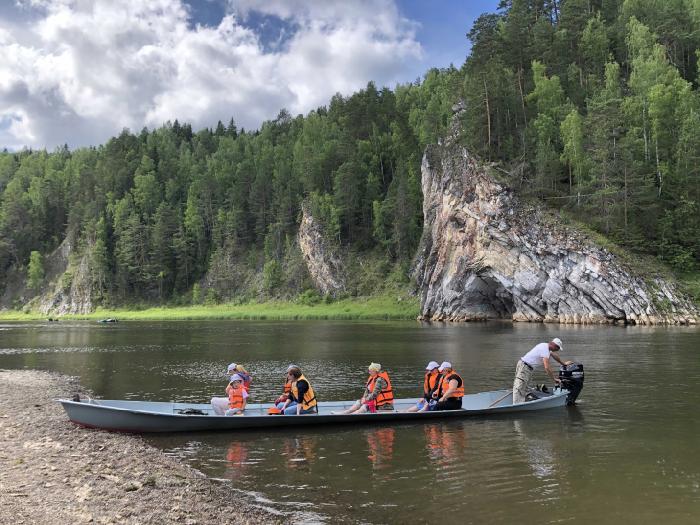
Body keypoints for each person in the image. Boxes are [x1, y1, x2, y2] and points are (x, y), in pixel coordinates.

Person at [513, 337, 573, 404]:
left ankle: (526, 399)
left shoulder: (545, 346)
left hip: (527, 367)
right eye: (558, 348)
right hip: (524, 367)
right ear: (554, 345)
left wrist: (563, 363)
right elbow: (547, 367)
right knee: (519, 386)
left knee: (524, 386)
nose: (557, 350)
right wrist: (554, 379)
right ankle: (517, 404)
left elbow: (554, 355)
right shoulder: (545, 350)